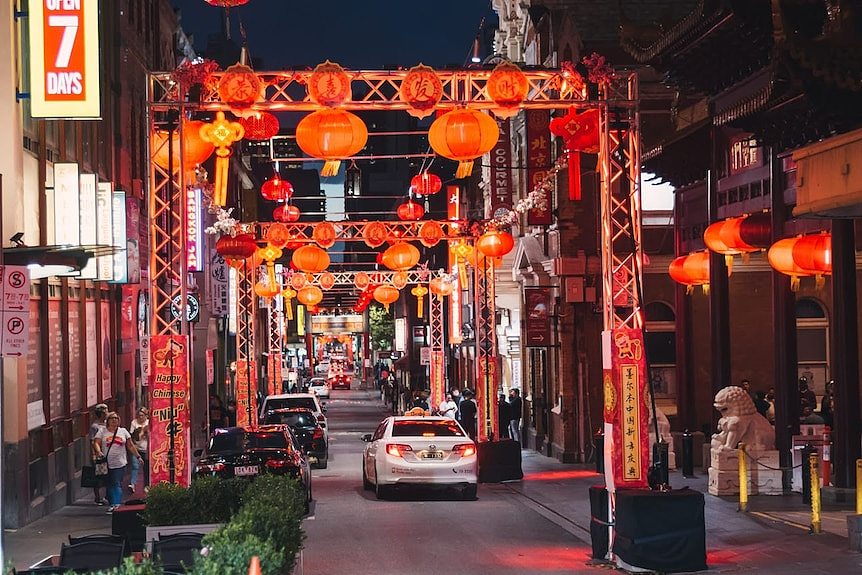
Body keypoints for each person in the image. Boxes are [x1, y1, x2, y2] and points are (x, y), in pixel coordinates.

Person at [94, 412, 143, 512]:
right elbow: (96, 443)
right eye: (112, 418)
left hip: (120, 463)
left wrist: (138, 456)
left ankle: (116, 504)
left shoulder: (123, 431)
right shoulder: (102, 431)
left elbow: (130, 445)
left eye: (116, 418)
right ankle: (112, 502)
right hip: (106, 463)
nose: (114, 420)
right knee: (109, 484)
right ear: (108, 421)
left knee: (116, 483)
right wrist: (98, 451)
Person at [88, 403, 109, 505]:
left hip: (108, 451)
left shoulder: (108, 424)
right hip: (98, 452)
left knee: (108, 474)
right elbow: (92, 441)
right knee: (97, 475)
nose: (107, 413)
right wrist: (94, 454)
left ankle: (107, 495)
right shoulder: (95, 426)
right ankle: (98, 497)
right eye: (105, 411)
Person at [128, 407, 149, 494]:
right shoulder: (134, 422)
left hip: (146, 449)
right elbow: (132, 436)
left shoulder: (148, 423)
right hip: (136, 448)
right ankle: (132, 484)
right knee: (135, 466)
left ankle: (146, 486)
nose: (140, 417)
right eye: (139, 415)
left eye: (142, 415)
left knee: (146, 468)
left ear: (146, 416)